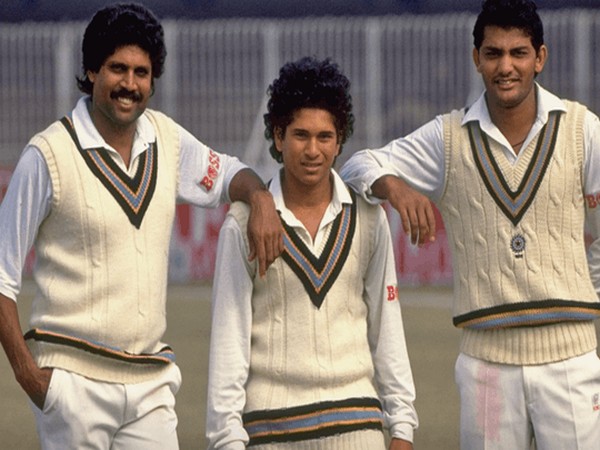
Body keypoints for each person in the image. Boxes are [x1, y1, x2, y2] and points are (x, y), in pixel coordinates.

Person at [0, 3, 283, 449]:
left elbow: (230, 173)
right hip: (73, 383)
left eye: (142, 72)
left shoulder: (165, 138)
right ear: (92, 71)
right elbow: (1, 276)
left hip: (150, 382)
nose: (130, 84)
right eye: (117, 69)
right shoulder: (48, 154)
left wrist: (261, 198)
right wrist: (31, 378)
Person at [341, 0, 600, 448]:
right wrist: (396, 188)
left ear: (540, 57)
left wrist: (585, 294)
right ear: (476, 58)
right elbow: (356, 165)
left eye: (519, 53)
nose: (506, 66)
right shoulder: (448, 138)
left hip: (571, 361)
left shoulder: (582, 129)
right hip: (486, 367)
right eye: (493, 53)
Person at [205, 56, 418, 450]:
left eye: (325, 137)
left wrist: (402, 426)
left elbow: (386, 326)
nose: (313, 150)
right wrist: (227, 439)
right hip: (272, 432)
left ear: (339, 141)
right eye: (300, 135)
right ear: (278, 136)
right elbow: (228, 342)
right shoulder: (243, 223)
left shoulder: (369, 219)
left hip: (358, 428)